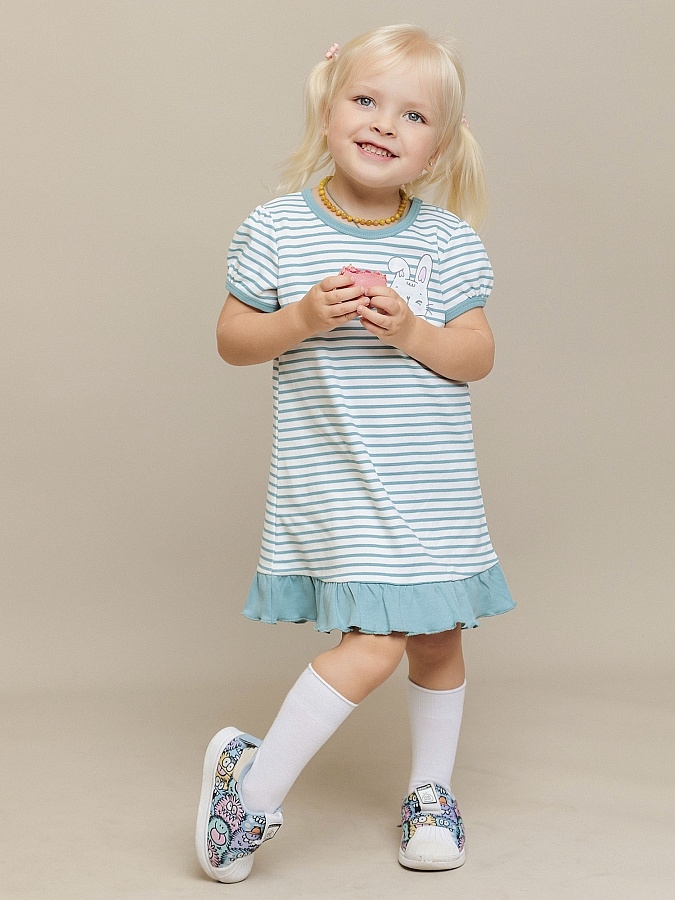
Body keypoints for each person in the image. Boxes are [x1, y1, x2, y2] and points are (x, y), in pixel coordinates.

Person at [195, 23, 515, 883]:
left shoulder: (446, 242)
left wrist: (412, 331)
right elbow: (232, 340)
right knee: (374, 643)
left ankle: (429, 793)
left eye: (412, 115)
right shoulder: (276, 229)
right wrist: (301, 317)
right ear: (328, 107)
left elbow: (476, 356)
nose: (382, 123)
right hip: (339, 480)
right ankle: (252, 793)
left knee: (437, 638)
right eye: (366, 100)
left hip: (432, 485)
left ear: (436, 148)